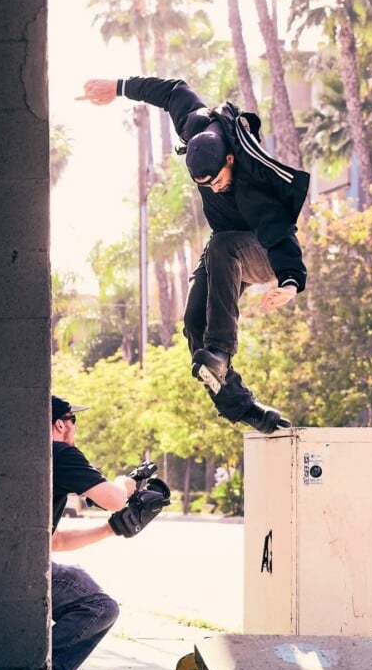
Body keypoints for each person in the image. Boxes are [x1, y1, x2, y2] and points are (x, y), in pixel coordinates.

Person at [76, 76, 310, 434]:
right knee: (193, 323)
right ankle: (243, 406)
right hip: (226, 252)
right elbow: (171, 91)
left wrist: (291, 283)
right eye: (208, 186)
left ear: (229, 159)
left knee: (222, 246)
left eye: (217, 181)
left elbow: (281, 234)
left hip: (265, 253)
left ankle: (220, 352)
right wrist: (119, 87)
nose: (216, 188)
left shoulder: (251, 183)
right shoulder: (196, 127)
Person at [50, 394, 169, 670]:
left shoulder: (29, 456)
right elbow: (114, 499)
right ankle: (36, 669)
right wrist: (130, 481)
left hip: (7, 564)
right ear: (61, 424)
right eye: (74, 422)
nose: (75, 429)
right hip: (22, 570)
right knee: (99, 606)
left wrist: (111, 529)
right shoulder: (60, 453)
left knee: (77, 579)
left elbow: (54, 541)